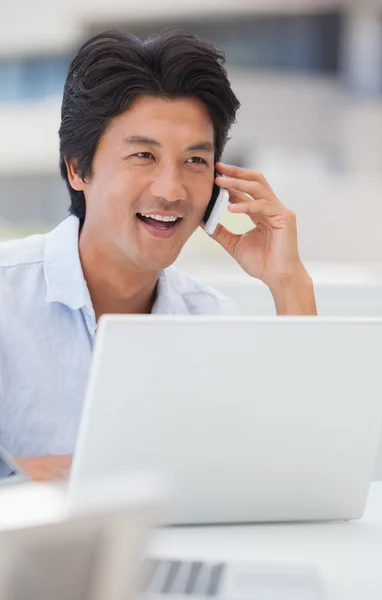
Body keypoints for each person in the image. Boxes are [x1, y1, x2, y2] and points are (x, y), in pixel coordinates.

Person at [0, 29, 317, 481]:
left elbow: (297, 470)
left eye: (194, 162)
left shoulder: (212, 321)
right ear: (77, 168)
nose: (171, 191)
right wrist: (99, 475)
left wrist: (290, 283)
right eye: (144, 155)